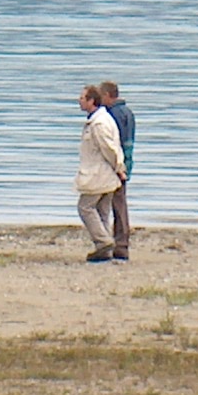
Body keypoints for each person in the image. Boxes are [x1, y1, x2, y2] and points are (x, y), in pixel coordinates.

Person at [74, 82, 126, 261]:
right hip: (105, 175)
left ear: (91, 101)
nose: (79, 101)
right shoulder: (101, 119)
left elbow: (110, 149)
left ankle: (103, 242)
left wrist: (119, 168)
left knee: (85, 207)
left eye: (82, 98)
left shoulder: (99, 124)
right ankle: (105, 249)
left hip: (99, 174)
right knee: (103, 211)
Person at [98, 80, 134, 260]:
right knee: (120, 202)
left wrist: (117, 166)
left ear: (107, 96)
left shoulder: (112, 115)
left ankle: (119, 244)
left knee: (116, 203)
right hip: (126, 162)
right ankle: (119, 242)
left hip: (117, 165)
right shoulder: (128, 113)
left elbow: (112, 144)